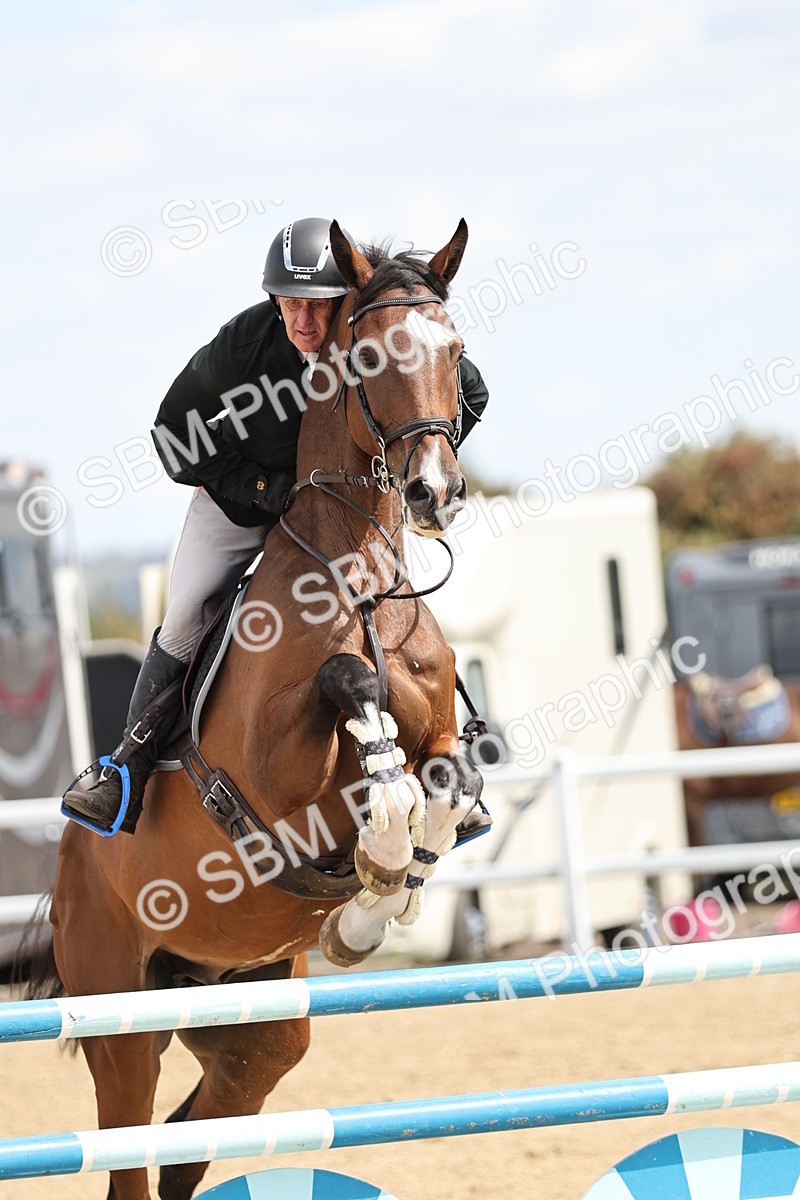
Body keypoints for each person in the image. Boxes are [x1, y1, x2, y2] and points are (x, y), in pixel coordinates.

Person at [63, 217, 490, 835]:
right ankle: (124, 770)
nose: (303, 324)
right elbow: (172, 435)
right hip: (243, 502)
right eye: (288, 304)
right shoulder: (244, 346)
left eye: (317, 305)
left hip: (343, 513)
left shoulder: (373, 336)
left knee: (404, 616)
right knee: (185, 613)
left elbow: (465, 392)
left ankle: (446, 759)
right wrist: (262, 489)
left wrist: (409, 471)